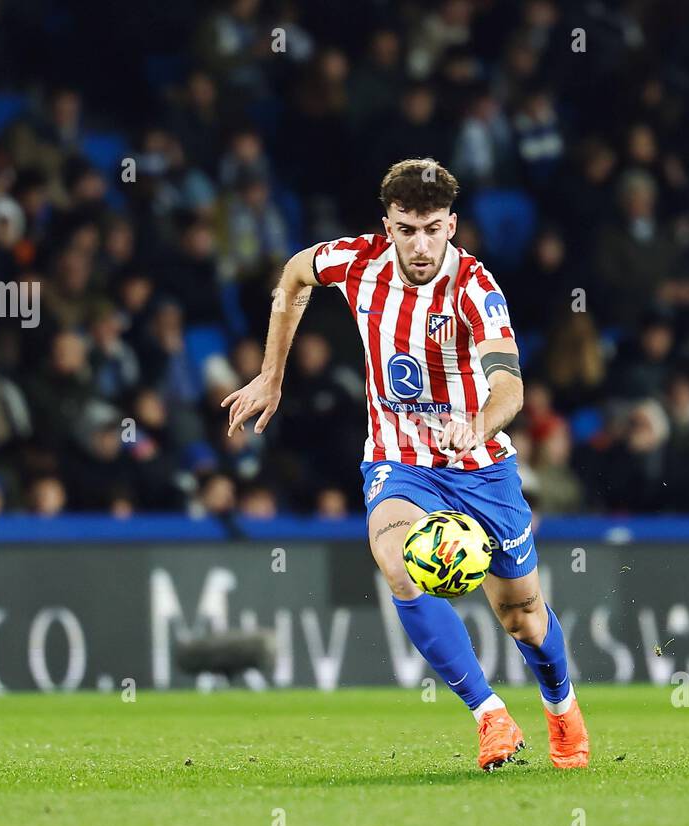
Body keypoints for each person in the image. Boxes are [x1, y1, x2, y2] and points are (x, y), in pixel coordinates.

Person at [222, 158, 589, 770]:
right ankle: (490, 716)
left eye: (432, 229)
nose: (420, 246)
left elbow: (511, 390)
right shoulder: (356, 262)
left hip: (479, 464)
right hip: (399, 460)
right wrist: (271, 374)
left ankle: (560, 707)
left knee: (521, 616)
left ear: (452, 225)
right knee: (396, 561)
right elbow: (293, 274)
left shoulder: (476, 288)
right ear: (386, 225)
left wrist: (476, 426)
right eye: (405, 229)